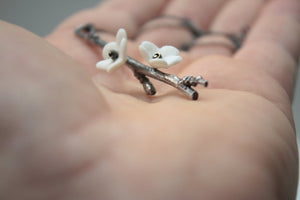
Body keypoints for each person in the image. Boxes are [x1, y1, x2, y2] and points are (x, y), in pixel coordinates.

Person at [0, 0, 299, 199]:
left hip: (154, 69)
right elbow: (132, 61)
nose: (153, 58)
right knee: (150, 74)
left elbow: (149, 63)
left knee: (154, 75)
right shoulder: (121, 56)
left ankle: (175, 82)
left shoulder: (153, 58)